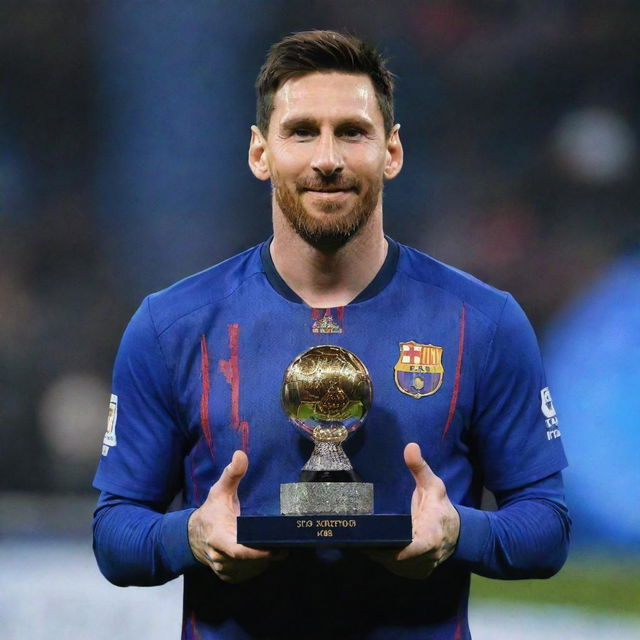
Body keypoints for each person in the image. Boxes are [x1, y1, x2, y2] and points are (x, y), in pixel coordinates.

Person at [93, 30, 570, 640]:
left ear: (391, 152)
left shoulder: (484, 322)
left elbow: (547, 525)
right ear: (260, 153)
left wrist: (459, 533)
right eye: (301, 131)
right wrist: (189, 536)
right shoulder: (171, 326)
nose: (327, 158)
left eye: (352, 131)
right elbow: (114, 534)